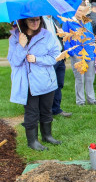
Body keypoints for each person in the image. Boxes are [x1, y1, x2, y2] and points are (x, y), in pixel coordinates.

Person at [7, 16, 62, 151]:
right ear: (24, 21)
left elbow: (56, 57)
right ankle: (32, 141)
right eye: (32, 20)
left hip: (46, 81)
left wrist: (37, 59)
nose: (35, 23)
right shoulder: (15, 37)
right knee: (31, 113)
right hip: (28, 83)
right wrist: (21, 45)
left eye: (38, 20)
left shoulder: (47, 35)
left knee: (46, 109)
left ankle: (47, 136)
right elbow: (14, 61)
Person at [62, 2, 96, 106]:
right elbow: (65, 39)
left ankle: (91, 99)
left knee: (90, 78)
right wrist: (72, 52)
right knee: (80, 78)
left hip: (89, 53)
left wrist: (95, 53)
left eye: (83, 10)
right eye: (79, 10)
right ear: (75, 10)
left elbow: (91, 37)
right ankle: (80, 101)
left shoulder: (87, 22)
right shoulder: (69, 22)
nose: (81, 13)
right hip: (77, 54)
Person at [42, 15, 72, 117]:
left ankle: (56, 109)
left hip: (60, 55)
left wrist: (62, 35)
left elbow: (59, 38)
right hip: (49, 57)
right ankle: (47, 112)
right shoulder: (39, 21)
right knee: (49, 86)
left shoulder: (54, 21)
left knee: (59, 84)